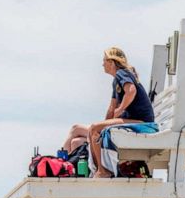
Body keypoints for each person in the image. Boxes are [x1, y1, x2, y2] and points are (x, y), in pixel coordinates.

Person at [65, 47, 154, 177]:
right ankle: (67, 167)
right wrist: (104, 123)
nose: (102, 64)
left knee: (91, 129)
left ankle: (101, 171)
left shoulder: (122, 73)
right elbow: (111, 108)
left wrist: (121, 108)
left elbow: (131, 91)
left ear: (112, 62)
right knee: (77, 139)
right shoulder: (116, 80)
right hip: (132, 122)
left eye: (104, 60)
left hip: (142, 123)